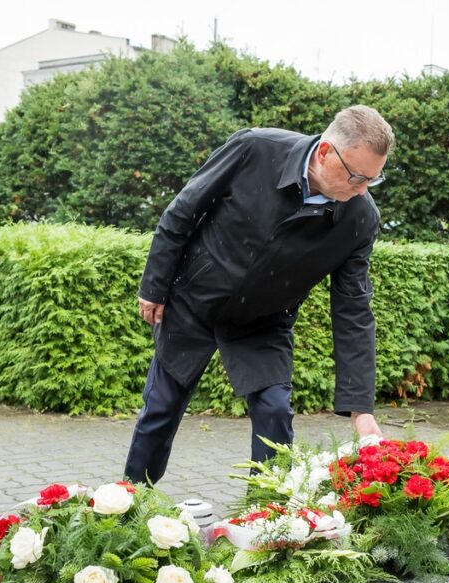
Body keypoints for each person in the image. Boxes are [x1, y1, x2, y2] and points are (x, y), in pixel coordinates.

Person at [123, 105, 393, 485]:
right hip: (194, 302)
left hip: (263, 321)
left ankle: (268, 523)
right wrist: (154, 285)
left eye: (373, 180)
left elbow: (353, 309)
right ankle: (130, 503)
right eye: (357, 177)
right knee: (161, 408)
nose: (363, 190)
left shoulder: (359, 218)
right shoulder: (255, 149)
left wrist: (360, 409)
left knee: (275, 412)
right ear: (325, 153)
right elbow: (183, 211)